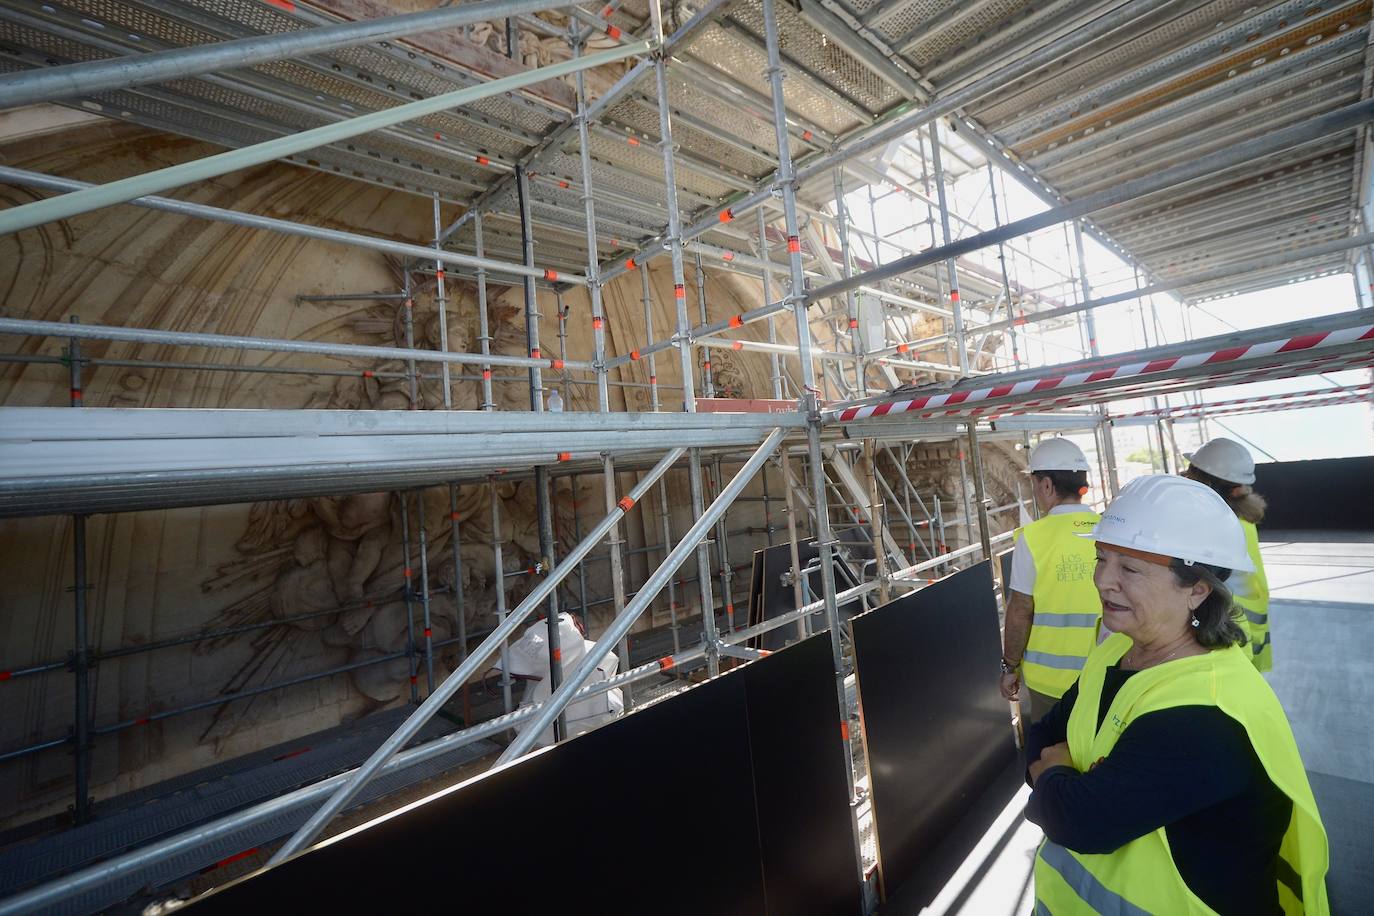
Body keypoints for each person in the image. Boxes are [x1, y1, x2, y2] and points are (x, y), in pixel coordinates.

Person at [1025, 475, 1328, 914]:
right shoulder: (1115, 652)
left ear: (1198, 590)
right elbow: (1040, 738)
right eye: (1101, 558)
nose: (1104, 581)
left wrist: (1056, 774)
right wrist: (1066, 780)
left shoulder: (1208, 710)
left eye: (1129, 569)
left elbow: (1082, 822)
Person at [1000, 438, 1103, 725]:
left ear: (1046, 485)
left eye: (1034, 485)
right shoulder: (1109, 531)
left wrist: (1010, 666)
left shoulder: (1033, 539)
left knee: (1052, 758)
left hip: (1049, 684)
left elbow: (1020, 609)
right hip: (1105, 674)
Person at [1185, 437, 1272, 671]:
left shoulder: (1218, 527)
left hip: (1229, 630)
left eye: (1193, 475)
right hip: (1241, 628)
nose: (1186, 478)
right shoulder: (1240, 517)